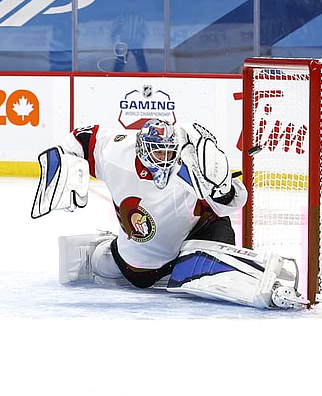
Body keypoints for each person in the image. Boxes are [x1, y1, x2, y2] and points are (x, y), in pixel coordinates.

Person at [31, 119, 305, 310]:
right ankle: (104, 251)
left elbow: (229, 204)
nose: (165, 158)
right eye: (158, 152)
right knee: (137, 277)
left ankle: (226, 274)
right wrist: (62, 162)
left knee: (217, 252)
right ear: (141, 150)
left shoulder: (189, 163)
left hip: (198, 227)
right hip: (146, 255)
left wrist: (221, 187)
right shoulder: (117, 151)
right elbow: (83, 138)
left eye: (169, 152)